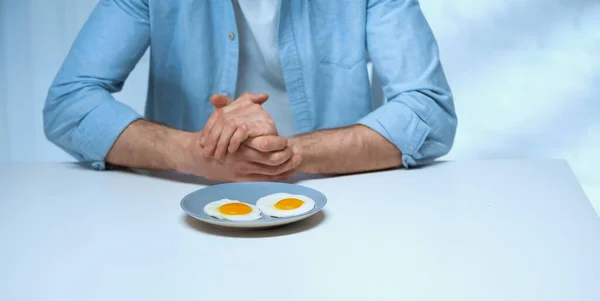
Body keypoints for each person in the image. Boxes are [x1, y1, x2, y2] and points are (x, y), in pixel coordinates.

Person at [43, 0, 457, 182]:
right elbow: (70, 104)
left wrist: (290, 154)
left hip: (339, 202)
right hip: (184, 209)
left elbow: (429, 111)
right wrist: (194, 154)